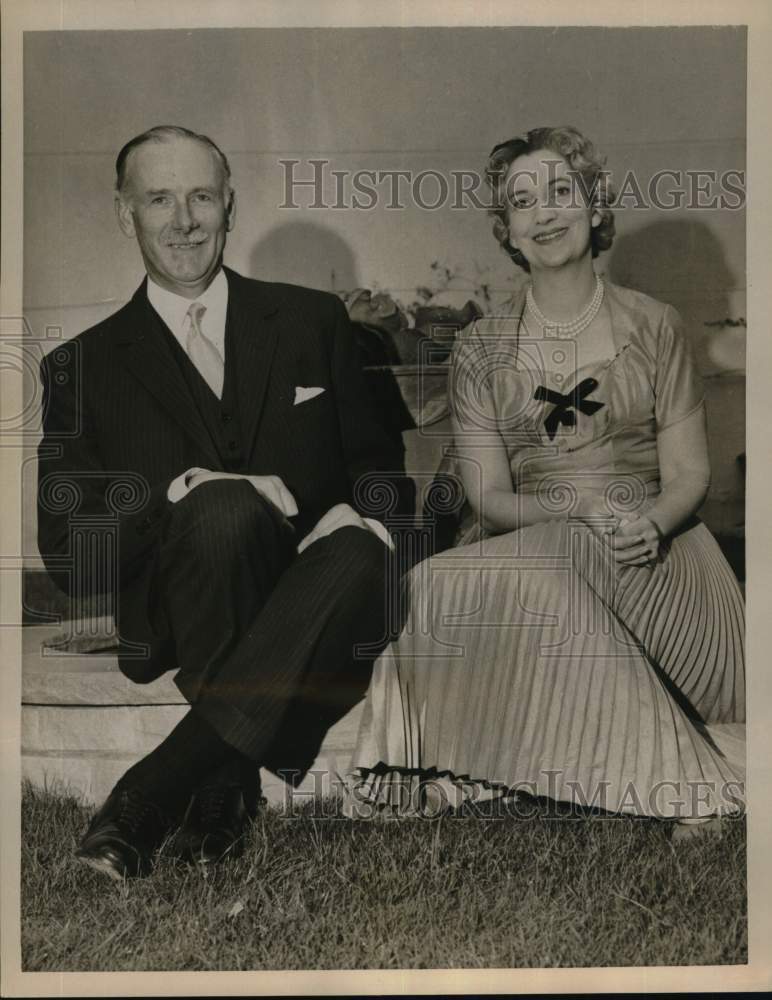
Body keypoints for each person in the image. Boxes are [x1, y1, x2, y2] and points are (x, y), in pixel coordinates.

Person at [348, 126, 745, 834]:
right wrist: (575, 503)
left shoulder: (656, 326)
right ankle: (455, 770)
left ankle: (692, 790)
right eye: (523, 201)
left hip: (656, 553)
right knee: (437, 582)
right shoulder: (477, 348)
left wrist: (647, 523)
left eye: (562, 190)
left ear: (595, 207)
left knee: (537, 575)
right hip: (541, 541)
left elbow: (691, 475)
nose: (546, 212)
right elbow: (488, 499)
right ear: (507, 230)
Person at [37, 125, 408, 879]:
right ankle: (215, 782)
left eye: (201, 197)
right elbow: (71, 555)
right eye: (159, 199)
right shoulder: (82, 367)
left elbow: (385, 479)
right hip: (181, 610)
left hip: (319, 590)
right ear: (125, 215)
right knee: (222, 509)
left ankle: (159, 788)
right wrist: (176, 494)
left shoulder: (314, 322)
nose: (183, 220)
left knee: (366, 546)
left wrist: (354, 509)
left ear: (229, 207)